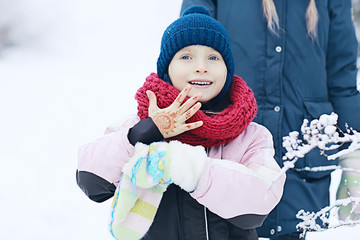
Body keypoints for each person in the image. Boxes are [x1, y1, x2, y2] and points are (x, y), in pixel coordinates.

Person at [76, 5, 286, 240]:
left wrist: (188, 168)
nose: (201, 66)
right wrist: (146, 132)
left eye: (213, 57)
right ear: (167, 68)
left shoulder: (251, 136)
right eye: (186, 56)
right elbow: (91, 179)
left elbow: (259, 202)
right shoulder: (138, 124)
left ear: (227, 69)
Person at [180, 0, 360, 239]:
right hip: (229, 162)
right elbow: (187, 64)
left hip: (301, 163)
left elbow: (342, 77)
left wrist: (354, 162)